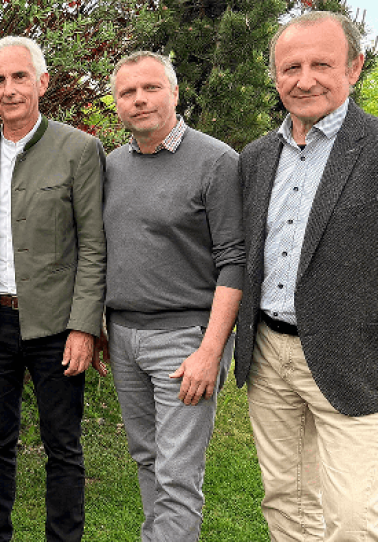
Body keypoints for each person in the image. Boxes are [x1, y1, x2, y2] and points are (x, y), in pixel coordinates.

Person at [0, 36, 107, 542]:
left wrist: (85, 326)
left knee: (62, 445)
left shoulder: (80, 150)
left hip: (57, 325)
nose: (9, 88)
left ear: (42, 82)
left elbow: (93, 245)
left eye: (20, 77)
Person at [235, 11, 378, 540]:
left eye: (322, 63)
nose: (305, 79)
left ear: (355, 67)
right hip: (269, 355)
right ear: (275, 76)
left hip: (355, 359)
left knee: (351, 517)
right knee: (287, 504)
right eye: (291, 66)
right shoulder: (256, 158)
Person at [102, 51, 244, 541]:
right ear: (117, 103)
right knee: (148, 460)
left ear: (175, 93)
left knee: (177, 475)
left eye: (151, 88)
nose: (139, 100)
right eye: (127, 92)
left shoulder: (217, 161)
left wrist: (211, 350)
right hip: (123, 337)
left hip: (185, 338)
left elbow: (234, 260)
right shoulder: (112, 165)